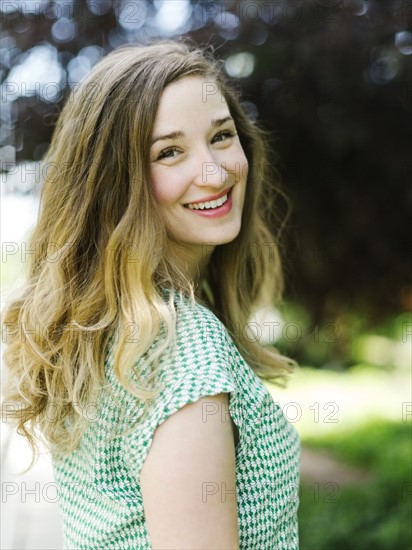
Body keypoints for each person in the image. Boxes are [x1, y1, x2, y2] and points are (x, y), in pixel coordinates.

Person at [1, 39, 301, 549]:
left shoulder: (109, 331)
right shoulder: (185, 348)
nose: (214, 172)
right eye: (169, 152)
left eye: (222, 136)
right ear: (113, 183)